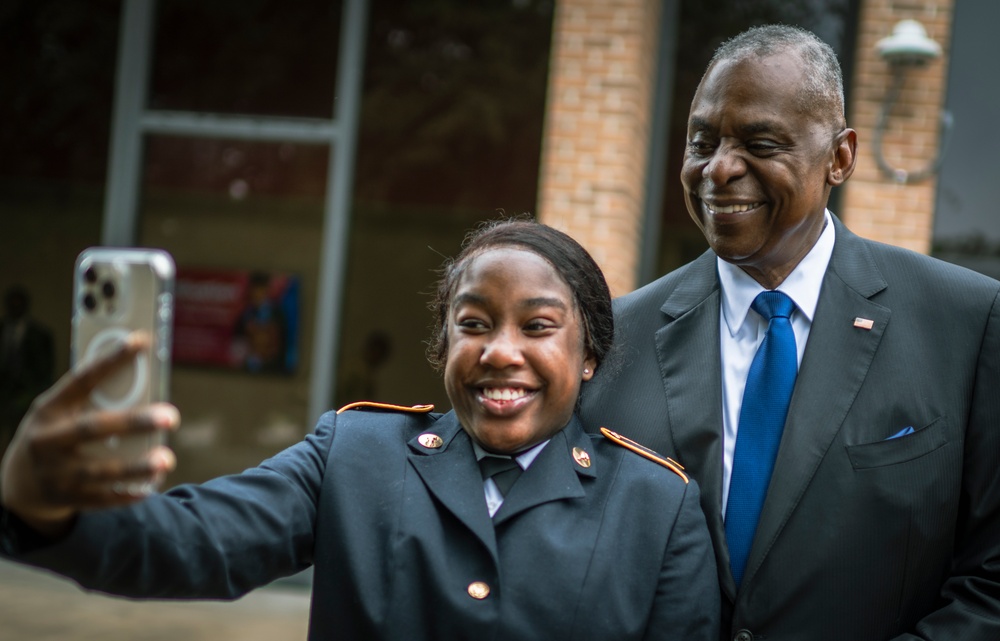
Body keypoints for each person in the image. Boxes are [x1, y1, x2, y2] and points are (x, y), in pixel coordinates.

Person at [0, 220, 720, 641]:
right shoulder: (355, 455)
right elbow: (194, 541)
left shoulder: (658, 508)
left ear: (589, 354)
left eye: (537, 326)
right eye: (473, 324)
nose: (500, 350)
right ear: (443, 346)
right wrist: (39, 506)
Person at [580, 23, 1000, 641]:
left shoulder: (966, 322)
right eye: (702, 142)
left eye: (761, 142)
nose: (719, 170)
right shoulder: (615, 338)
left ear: (841, 156)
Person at [0, 285, 55, 457]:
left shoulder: (40, 335)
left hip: (26, 397)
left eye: (19, 303)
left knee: (19, 445)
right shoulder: (2, 329)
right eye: (12, 303)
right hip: (2, 394)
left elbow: (46, 370)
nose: (15, 307)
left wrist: (32, 395)